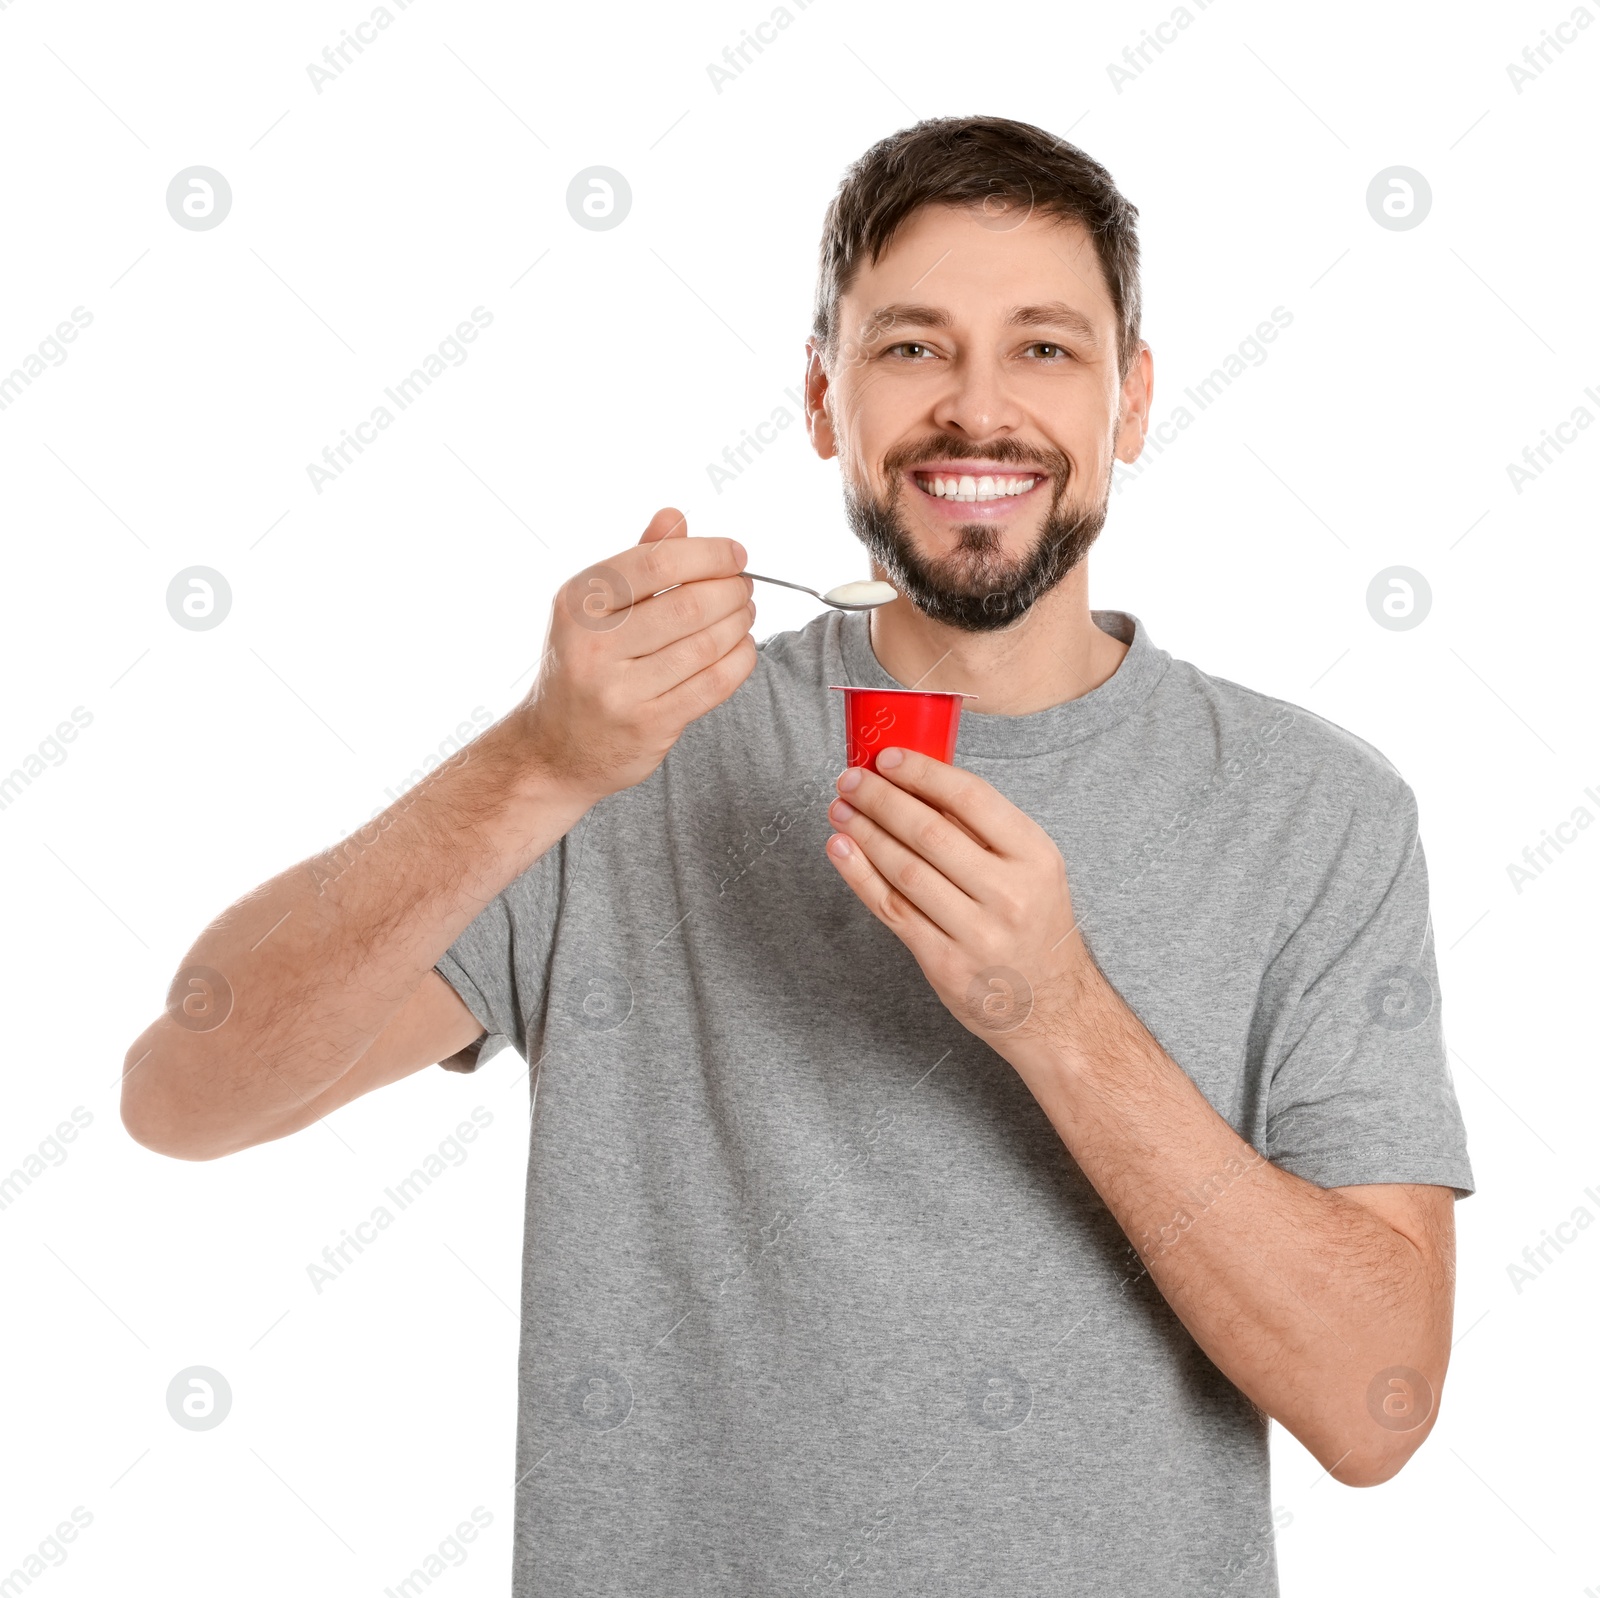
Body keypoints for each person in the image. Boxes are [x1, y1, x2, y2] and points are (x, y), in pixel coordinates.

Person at [122, 115, 1473, 1596]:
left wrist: (1059, 1016)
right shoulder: (630, 763)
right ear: (825, 397)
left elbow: (1377, 1406)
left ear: (1130, 401)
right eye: (910, 348)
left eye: (1043, 349)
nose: (976, 410)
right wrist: (538, 760)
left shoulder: (1317, 810)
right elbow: (186, 1090)